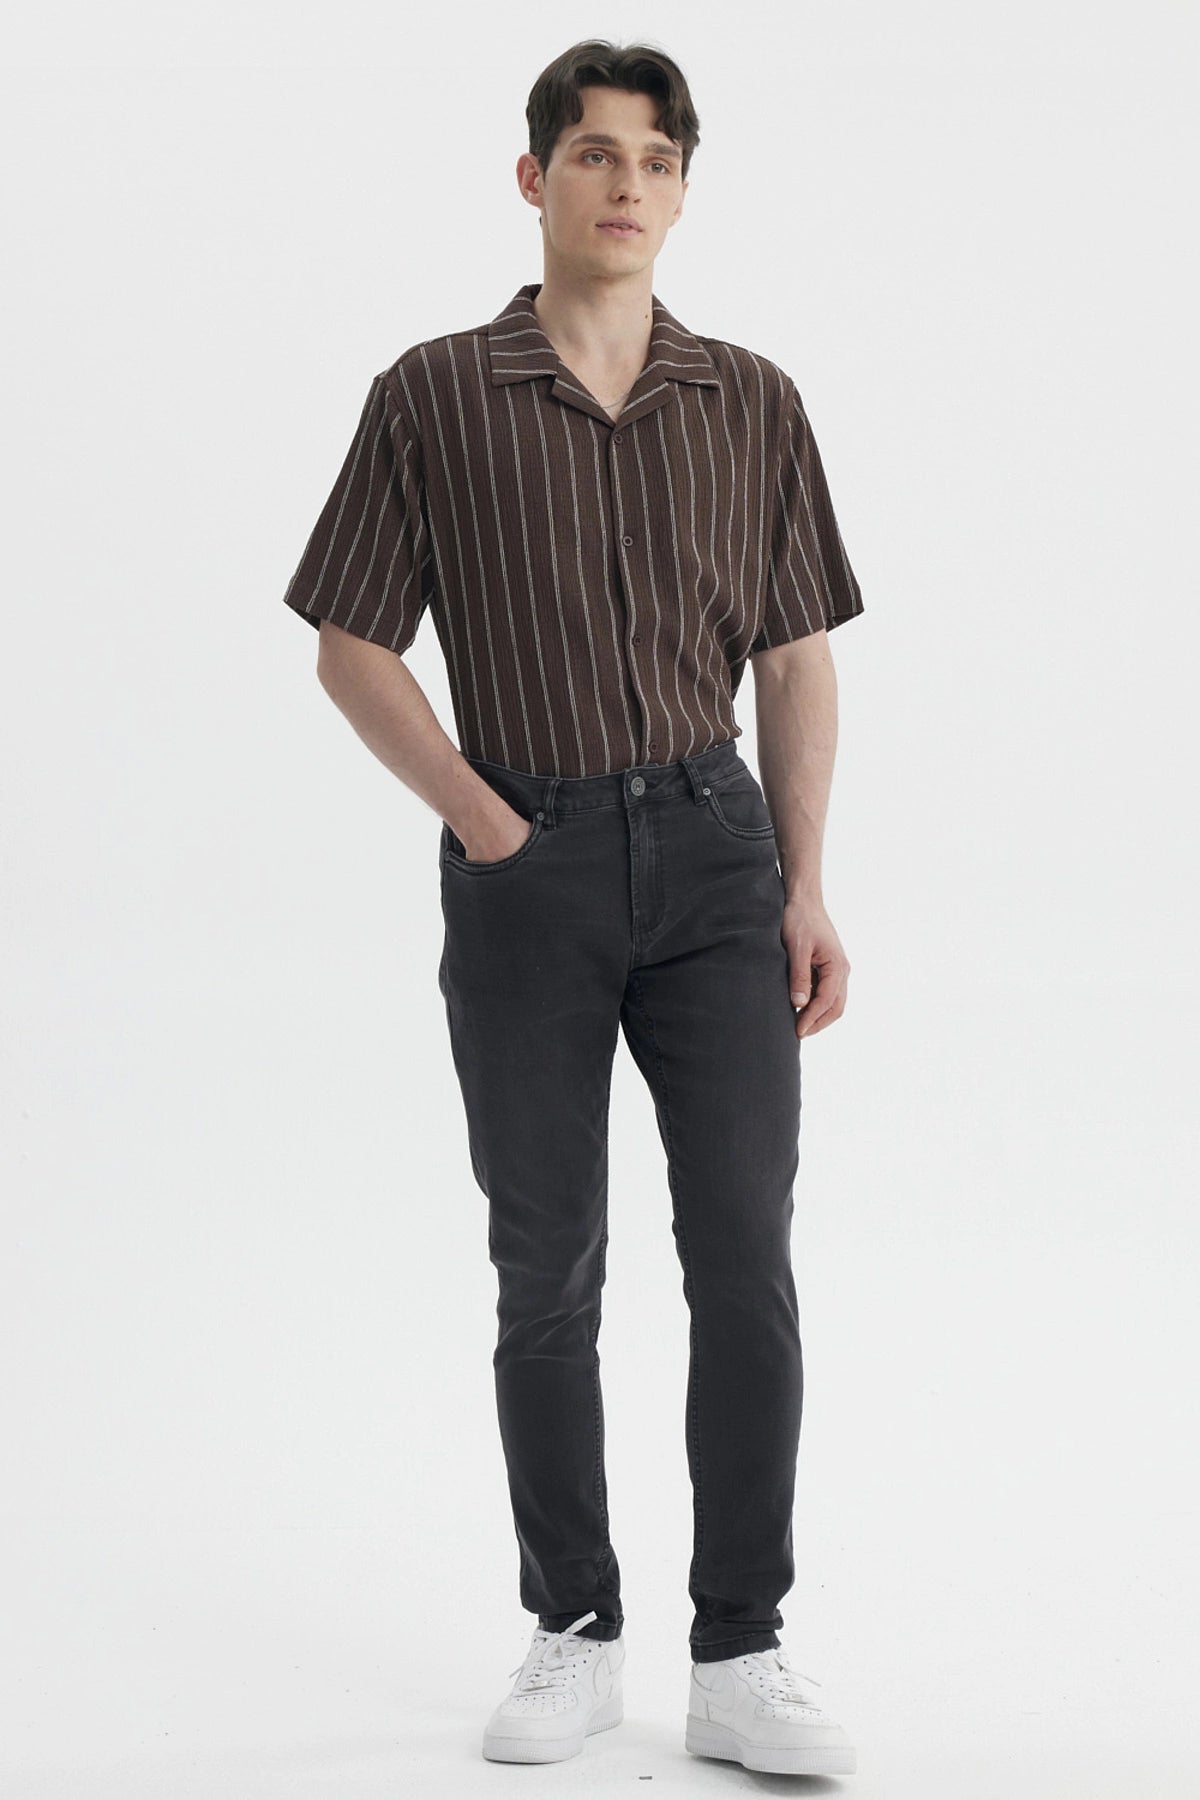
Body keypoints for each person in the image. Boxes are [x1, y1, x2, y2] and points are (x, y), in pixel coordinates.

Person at [280, 37, 863, 1778]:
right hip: (524, 866)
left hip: (717, 858)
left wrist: (808, 883)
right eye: (597, 154)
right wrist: (485, 820)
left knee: (744, 1251)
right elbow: (352, 642)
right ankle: (574, 1629)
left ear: (682, 191)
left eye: (658, 160)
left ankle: (743, 1649)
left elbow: (796, 656)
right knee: (547, 1264)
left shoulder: (751, 398)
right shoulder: (433, 394)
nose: (629, 184)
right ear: (535, 179)